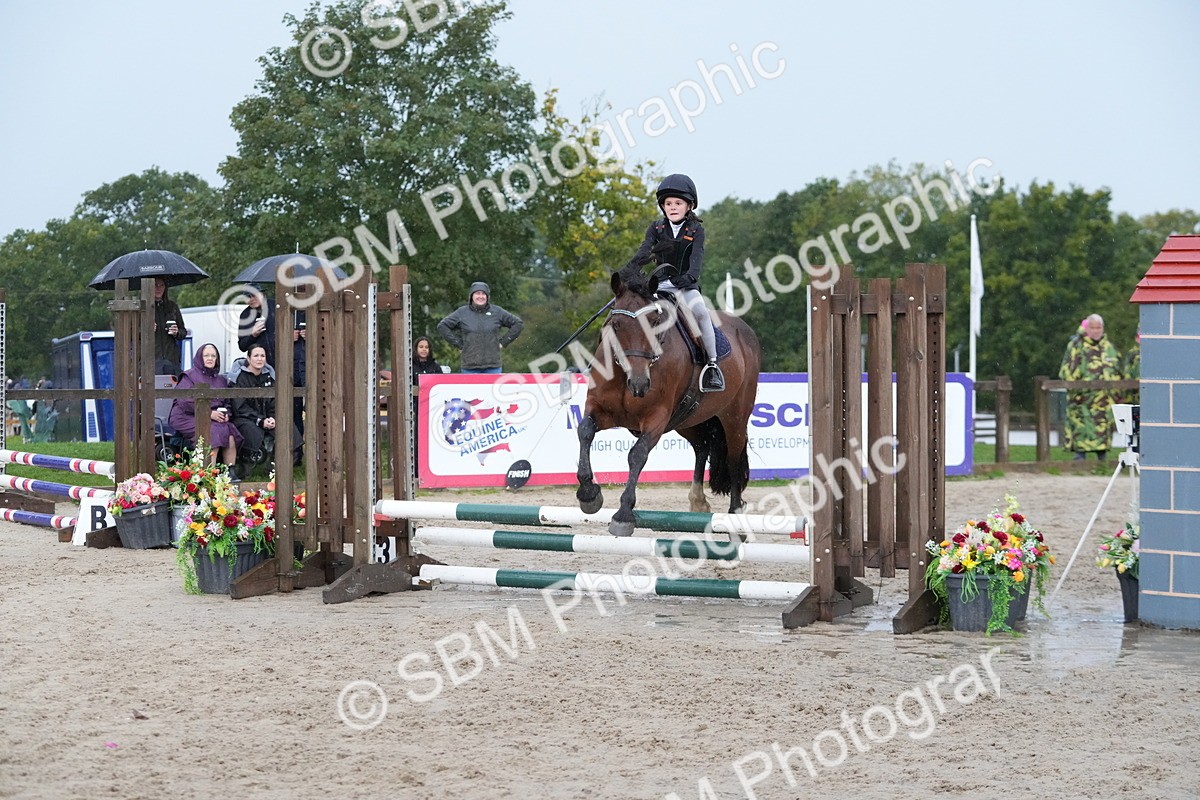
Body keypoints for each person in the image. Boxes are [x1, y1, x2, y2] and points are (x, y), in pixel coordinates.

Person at [620, 173, 724, 392]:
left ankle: (712, 365)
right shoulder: (656, 229)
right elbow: (643, 253)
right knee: (632, 313)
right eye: (668, 203)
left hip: (686, 286)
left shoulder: (696, 231)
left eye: (678, 203)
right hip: (658, 287)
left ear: (689, 205)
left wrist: (686, 279)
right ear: (662, 206)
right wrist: (626, 271)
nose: (673, 207)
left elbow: (695, 263)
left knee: (702, 313)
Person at [168, 343, 243, 477]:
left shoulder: (221, 380)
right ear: (199, 357)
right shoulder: (188, 376)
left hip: (214, 418)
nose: (210, 358)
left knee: (230, 431)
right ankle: (208, 474)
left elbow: (227, 402)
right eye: (206, 355)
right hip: (186, 416)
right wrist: (208, 414)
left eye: (213, 356)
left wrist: (226, 414)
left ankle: (229, 472)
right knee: (211, 431)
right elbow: (184, 401)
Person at [1058, 313, 1123, 461]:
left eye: (1099, 328)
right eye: (1093, 328)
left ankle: (1102, 464)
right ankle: (1079, 464)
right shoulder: (1076, 346)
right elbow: (1066, 372)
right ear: (1087, 328)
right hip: (1083, 402)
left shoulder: (1109, 348)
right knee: (1082, 434)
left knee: (1103, 436)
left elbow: (1119, 371)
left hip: (1104, 403)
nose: (1096, 331)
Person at [231, 344, 300, 477]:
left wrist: (273, 418)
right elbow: (239, 406)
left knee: (288, 429)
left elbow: (275, 402)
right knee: (252, 432)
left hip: (268, 417)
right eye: (256, 355)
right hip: (245, 418)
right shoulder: (240, 378)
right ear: (249, 358)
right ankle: (245, 469)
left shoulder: (270, 377)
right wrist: (260, 420)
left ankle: (275, 469)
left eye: (262, 356)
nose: (259, 359)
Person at [437, 281, 523, 374]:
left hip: (493, 366)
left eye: (483, 294)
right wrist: (459, 344)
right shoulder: (462, 312)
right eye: (477, 293)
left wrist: (503, 342)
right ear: (471, 296)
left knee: (492, 389)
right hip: (469, 367)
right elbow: (442, 326)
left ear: (487, 297)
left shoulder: (497, 312)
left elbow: (518, 324)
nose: (480, 296)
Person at [152, 277, 188, 375]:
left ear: (165, 288)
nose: (158, 288)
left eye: (161, 285)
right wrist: (145, 331)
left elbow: (183, 332)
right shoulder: (142, 308)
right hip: (150, 361)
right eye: (155, 285)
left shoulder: (172, 306)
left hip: (171, 360)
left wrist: (177, 332)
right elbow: (131, 334)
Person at [237, 283, 275, 366]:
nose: (251, 299)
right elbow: (242, 346)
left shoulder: (276, 306)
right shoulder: (245, 315)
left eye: (254, 295)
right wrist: (253, 334)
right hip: (261, 366)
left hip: (284, 359)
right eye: (248, 297)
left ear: (262, 294)